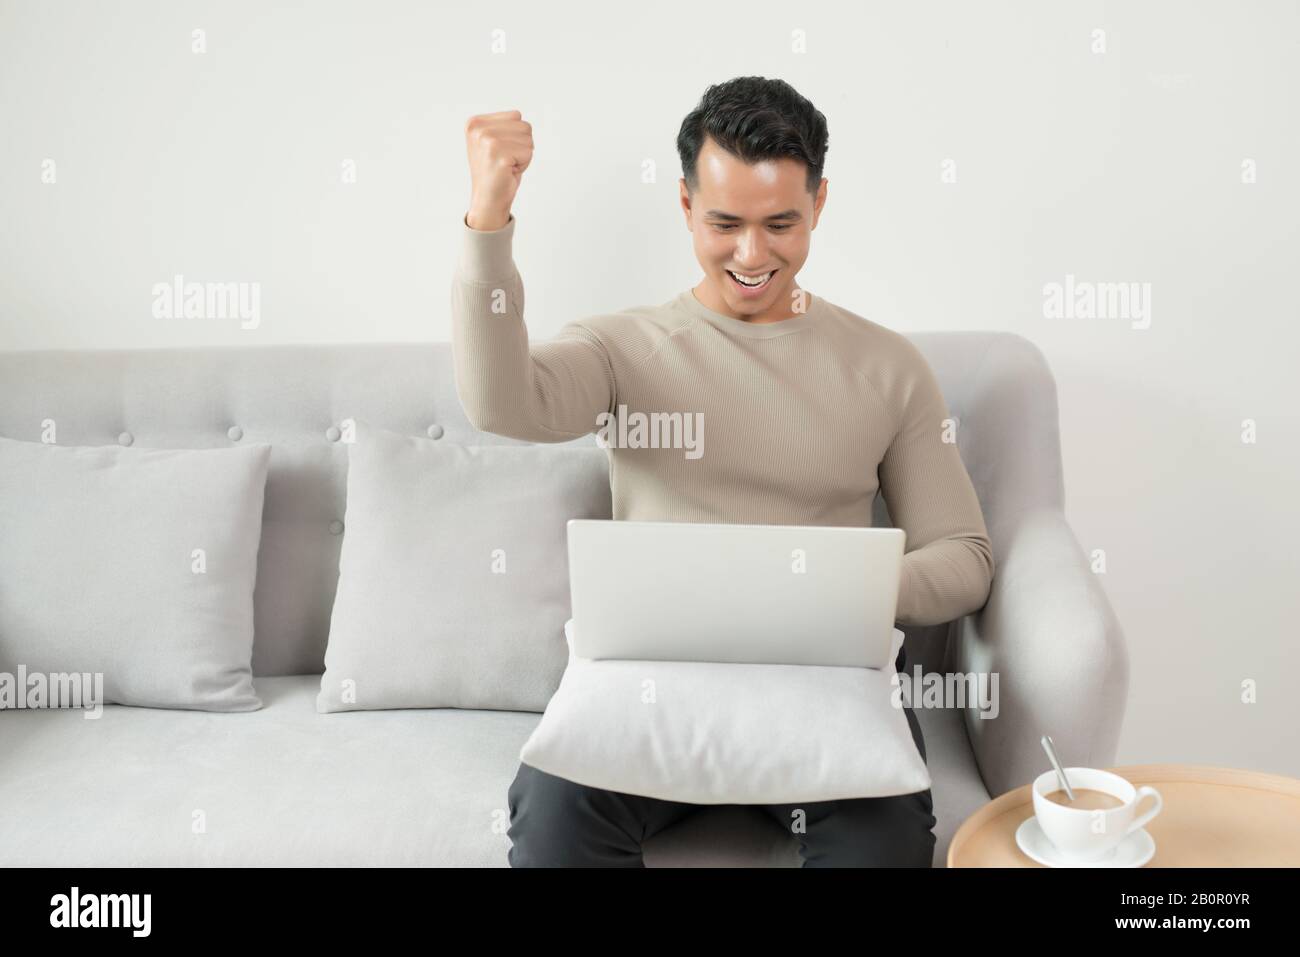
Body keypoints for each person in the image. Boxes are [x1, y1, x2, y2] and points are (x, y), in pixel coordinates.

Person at [451, 76, 994, 867]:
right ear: (683, 206)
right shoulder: (620, 347)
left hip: (829, 677)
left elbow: (965, 556)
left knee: (883, 844)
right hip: (655, 680)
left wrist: (843, 589)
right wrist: (488, 221)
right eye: (724, 223)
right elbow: (501, 403)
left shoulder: (888, 366)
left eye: (781, 223)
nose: (751, 253)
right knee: (553, 825)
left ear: (819, 204)